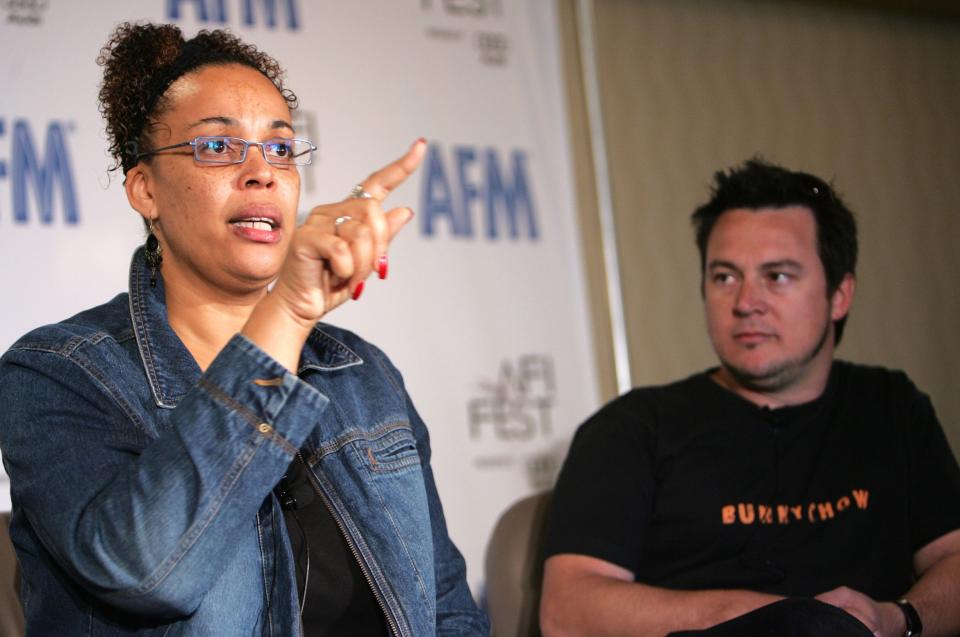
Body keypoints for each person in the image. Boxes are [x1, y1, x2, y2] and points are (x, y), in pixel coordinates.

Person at [0, 22, 489, 635]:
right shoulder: (57, 371)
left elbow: (446, 607)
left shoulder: (364, 375)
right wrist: (285, 311)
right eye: (216, 147)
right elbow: (149, 575)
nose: (262, 172)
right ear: (144, 189)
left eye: (280, 149)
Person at [539, 159, 960, 637]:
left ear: (839, 294)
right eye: (725, 277)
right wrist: (785, 621)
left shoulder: (892, 407)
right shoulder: (634, 426)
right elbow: (567, 611)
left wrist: (898, 618)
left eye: (777, 276)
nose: (746, 301)